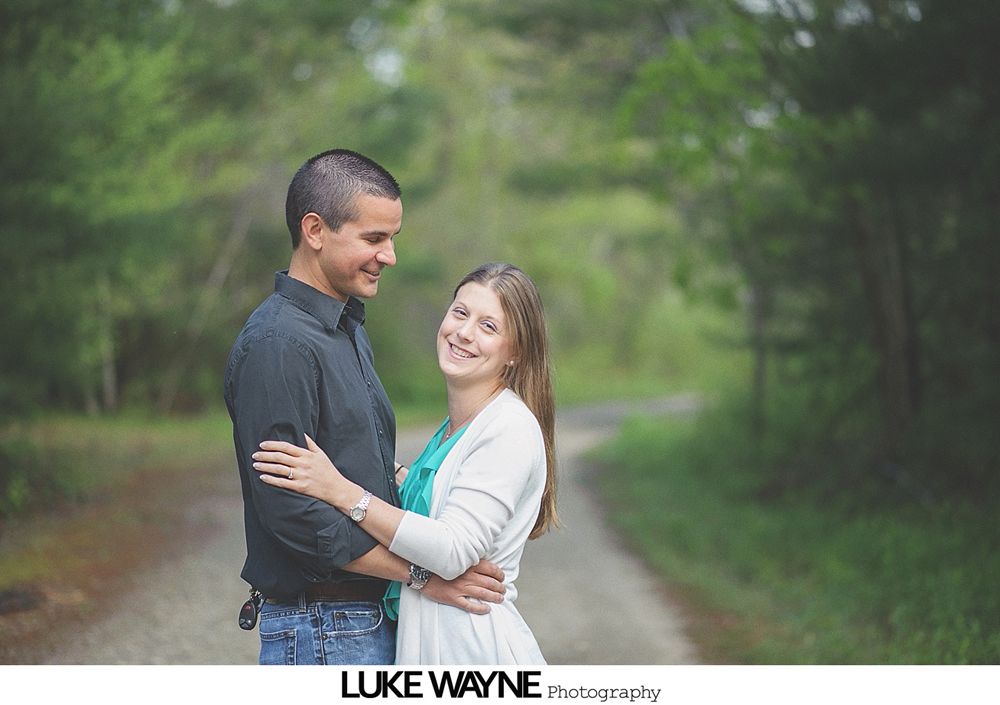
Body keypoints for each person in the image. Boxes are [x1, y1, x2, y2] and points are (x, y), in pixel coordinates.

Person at [224, 150, 506, 666]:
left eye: (392, 238)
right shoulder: (278, 344)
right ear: (315, 230)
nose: (390, 255)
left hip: (358, 624)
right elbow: (293, 515)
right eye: (374, 238)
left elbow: (369, 469)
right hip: (323, 628)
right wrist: (421, 575)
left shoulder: (345, 327)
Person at [253, 262, 558, 664]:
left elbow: (452, 549)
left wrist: (341, 491)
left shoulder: (509, 427)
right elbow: (435, 499)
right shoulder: (458, 428)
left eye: (489, 326)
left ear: (515, 351)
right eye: (460, 313)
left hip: (471, 651)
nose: (464, 333)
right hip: (435, 647)